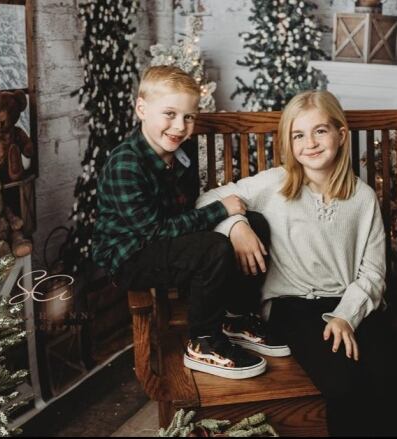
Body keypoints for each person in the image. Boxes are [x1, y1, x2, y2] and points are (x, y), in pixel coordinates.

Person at [196, 90, 397, 435]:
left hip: (352, 302)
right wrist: (236, 226)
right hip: (294, 305)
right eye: (298, 134)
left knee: (391, 375)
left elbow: (372, 271)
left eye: (320, 131)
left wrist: (345, 316)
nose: (309, 142)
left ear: (341, 135)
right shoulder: (275, 185)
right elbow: (208, 199)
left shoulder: (362, 197)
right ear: (288, 141)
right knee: (344, 385)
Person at [92, 65, 287, 380]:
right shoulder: (126, 163)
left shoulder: (180, 152)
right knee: (214, 248)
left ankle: (235, 317)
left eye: (188, 117)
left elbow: (188, 210)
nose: (179, 126)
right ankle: (203, 342)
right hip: (130, 255)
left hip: (168, 239)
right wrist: (220, 212)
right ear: (141, 108)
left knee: (255, 223)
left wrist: (237, 220)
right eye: (169, 113)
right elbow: (153, 231)